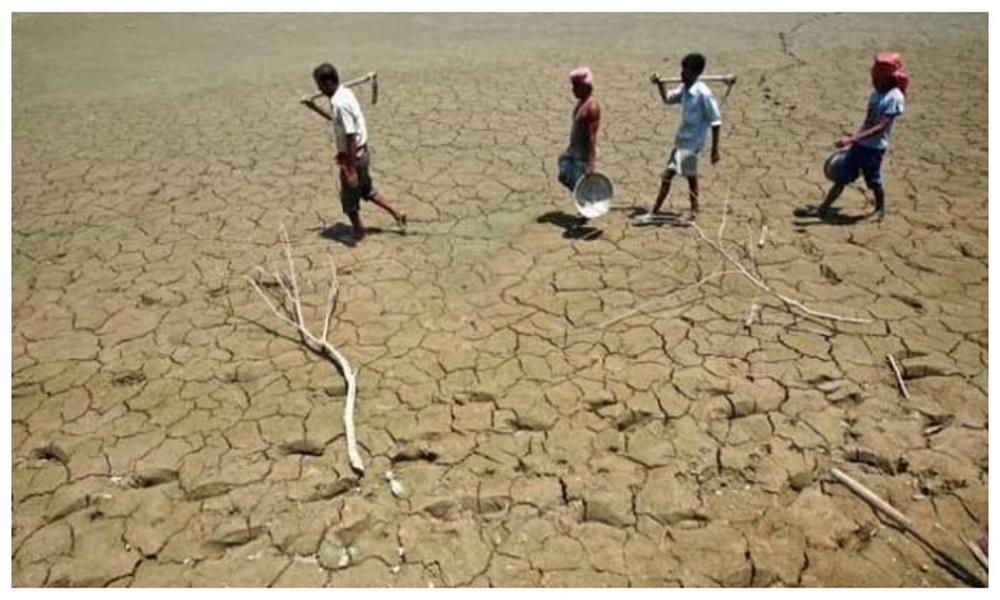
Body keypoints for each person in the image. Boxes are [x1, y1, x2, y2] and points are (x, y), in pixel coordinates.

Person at [300, 63, 406, 242]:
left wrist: (350, 169)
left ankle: (358, 232)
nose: (318, 88)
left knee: (349, 200)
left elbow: (351, 136)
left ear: (328, 83)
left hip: (353, 156)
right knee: (367, 191)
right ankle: (397, 213)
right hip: (361, 154)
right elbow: (337, 122)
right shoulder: (344, 93)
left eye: (319, 84)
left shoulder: (340, 103)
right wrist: (314, 107)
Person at [809, 52, 908, 221]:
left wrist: (852, 139)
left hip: (874, 149)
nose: (875, 80)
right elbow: (869, 120)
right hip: (860, 144)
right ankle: (822, 209)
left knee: (873, 181)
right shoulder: (877, 93)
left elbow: (881, 127)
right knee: (842, 177)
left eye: (879, 77)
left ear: (889, 78)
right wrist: (856, 137)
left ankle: (879, 210)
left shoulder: (894, 97)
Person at [646, 53, 722, 221]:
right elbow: (667, 99)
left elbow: (716, 121)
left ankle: (680, 210)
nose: (681, 73)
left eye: (685, 70)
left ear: (695, 73)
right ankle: (659, 211)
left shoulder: (703, 94)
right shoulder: (684, 89)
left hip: (693, 143)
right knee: (683, 176)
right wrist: (660, 84)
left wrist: (715, 150)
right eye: (682, 69)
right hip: (681, 140)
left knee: (676, 176)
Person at [557, 67, 601, 194]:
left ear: (586, 87)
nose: (573, 90)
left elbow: (592, 137)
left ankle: (588, 206)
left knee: (581, 186)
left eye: (576, 87)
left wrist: (590, 163)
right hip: (574, 150)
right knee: (564, 173)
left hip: (582, 155)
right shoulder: (582, 103)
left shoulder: (591, 108)